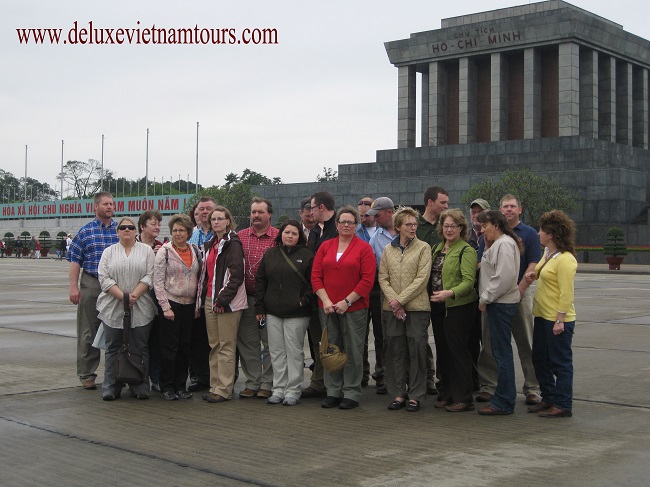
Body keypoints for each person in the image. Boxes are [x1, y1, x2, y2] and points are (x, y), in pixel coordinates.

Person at [476, 194, 542, 405]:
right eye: (505, 206)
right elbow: (483, 263)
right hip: (497, 296)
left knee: (525, 342)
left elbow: (533, 264)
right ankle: (489, 385)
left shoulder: (528, 234)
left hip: (515, 293)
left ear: (520, 210)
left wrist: (521, 288)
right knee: (490, 343)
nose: (509, 209)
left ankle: (532, 387)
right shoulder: (490, 237)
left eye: (513, 206)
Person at [312, 206, 376, 410]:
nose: (346, 225)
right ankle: (332, 391)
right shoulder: (325, 246)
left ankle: (351, 391)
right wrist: (327, 301)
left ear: (356, 225)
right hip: (328, 308)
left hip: (354, 308)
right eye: (343, 222)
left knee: (353, 350)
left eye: (351, 222)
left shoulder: (364, 248)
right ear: (337, 224)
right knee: (331, 348)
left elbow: (367, 280)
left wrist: (346, 301)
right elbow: (315, 276)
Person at [97, 216, 157, 401]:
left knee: (140, 347)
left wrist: (134, 296)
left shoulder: (147, 251)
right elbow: (104, 278)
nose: (126, 230)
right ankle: (111, 386)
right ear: (117, 231)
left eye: (130, 227)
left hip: (141, 306)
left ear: (135, 230)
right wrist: (123, 297)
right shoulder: (109, 252)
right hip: (113, 307)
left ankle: (140, 385)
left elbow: (150, 275)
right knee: (113, 348)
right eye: (122, 227)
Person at [255, 219, 314, 406]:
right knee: (276, 352)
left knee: (294, 352)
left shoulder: (307, 255)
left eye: (294, 233)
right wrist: (260, 307)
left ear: (299, 237)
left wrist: (302, 301)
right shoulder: (270, 254)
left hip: (297, 313)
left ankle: (293, 390)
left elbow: (314, 283)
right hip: (272, 312)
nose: (290, 236)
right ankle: (278, 388)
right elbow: (260, 280)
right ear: (281, 234)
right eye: (287, 232)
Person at [525, 210, 578, 418]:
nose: (538, 234)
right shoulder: (548, 254)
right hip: (542, 316)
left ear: (552, 234)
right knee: (540, 358)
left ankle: (563, 403)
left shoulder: (566, 260)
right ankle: (548, 397)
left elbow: (567, 293)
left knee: (560, 362)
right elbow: (540, 271)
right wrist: (532, 274)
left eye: (542, 230)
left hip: (557, 320)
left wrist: (560, 319)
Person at [378, 207, 431, 412]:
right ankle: (398, 393)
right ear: (398, 226)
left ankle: (416, 395)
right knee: (395, 350)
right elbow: (383, 277)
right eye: (408, 224)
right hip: (391, 309)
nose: (413, 227)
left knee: (417, 349)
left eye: (415, 224)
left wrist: (400, 300)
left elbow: (422, 278)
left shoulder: (423, 248)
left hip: (417, 308)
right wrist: (394, 302)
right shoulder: (388, 250)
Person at [67, 192, 119, 390]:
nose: (110, 207)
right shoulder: (85, 232)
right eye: (105, 204)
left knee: (118, 329)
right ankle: (87, 374)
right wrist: (74, 287)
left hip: (116, 285)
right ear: (95, 207)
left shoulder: (120, 229)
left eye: (112, 204)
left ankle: (118, 373)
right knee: (89, 330)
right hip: (92, 283)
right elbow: (74, 261)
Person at [429, 209, 478, 412]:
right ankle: (446, 393)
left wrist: (449, 293)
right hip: (438, 307)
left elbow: (469, 282)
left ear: (461, 228)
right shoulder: (437, 248)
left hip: (459, 308)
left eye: (454, 226)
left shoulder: (466, 250)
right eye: (446, 225)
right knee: (442, 351)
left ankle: (464, 398)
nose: (449, 229)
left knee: (457, 352)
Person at [475, 210, 523, 416]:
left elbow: (503, 277)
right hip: (500, 303)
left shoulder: (503, 244)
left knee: (501, 354)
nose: (483, 230)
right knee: (500, 352)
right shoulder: (500, 243)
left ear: (496, 224)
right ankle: (503, 398)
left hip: (500, 304)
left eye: (485, 226)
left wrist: (485, 298)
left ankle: (503, 401)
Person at [198, 206, 247, 403]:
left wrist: (223, 299)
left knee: (226, 345)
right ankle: (215, 385)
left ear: (228, 221)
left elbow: (236, 276)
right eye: (213, 219)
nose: (216, 222)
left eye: (220, 218)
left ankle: (224, 389)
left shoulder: (233, 244)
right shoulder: (212, 244)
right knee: (214, 345)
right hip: (210, 298)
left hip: (227, 302)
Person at [153, 214, 202, 401]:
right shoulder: (164, 251)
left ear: (188, 232)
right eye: (175, 230)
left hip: (189, 305)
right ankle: (167, 385)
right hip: (170, 304)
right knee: (169, 347)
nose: (178, 233)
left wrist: (197, 305)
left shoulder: (195, 250)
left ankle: (181, 385)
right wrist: (165, 307)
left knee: (185, 347)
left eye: (182, 230)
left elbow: (199, 279)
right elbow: (157, 282)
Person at [237, 197, 279, 399]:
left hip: (270, 301)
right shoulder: (240, 236)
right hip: (245, 299)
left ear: (269, 214)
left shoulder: (279, 237)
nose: (256, 216)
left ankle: (268, 383)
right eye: (253, 212)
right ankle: (252, 382)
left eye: (260, 212)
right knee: (248, 343)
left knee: (270, 344)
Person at [301, 191, 338, 399]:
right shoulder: (315, 231)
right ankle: (318, 382)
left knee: (334, 341)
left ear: (321, 208)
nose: (310, 212)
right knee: (318, 341)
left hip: (336, 297)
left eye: (313, 208)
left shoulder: (339, 228)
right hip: (316, 295)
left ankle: (334, 384)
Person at [416, 186, 450, 396]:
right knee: (419, 337)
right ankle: (425, 376)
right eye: (443, 203)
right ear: (430, 202)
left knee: (442, 337)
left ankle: (443, 379)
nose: (446, 206)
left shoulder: (446, 227)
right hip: (418, 292)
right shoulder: (414, 226)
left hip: (439, 292)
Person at [367, 196, 398, 394]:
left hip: (408, 290)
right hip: (382, 290)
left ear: (389, 212)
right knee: (384, 335)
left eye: (377, 215)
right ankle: (385, 375)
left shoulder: (407, 231)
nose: (375, 219)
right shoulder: (375, 238)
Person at [187, 196, 218, 391]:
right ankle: (199, 377)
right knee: (196, 338)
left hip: (215, 293)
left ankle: (219, 377)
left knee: (215, 339)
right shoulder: (191, 235)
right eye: (201, 209)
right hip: (192, 293)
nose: (204, 212)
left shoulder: (223, 235)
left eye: (208, 209)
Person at [356, 195, 382, 389]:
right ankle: (361, 373)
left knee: (382, 334)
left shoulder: (384, 233)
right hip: (360, 289)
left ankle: (381, 374)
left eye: (368, 207)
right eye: (361, 206)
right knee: (360, 334)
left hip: (380, 288)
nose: (364, 211)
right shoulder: (354, 232)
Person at [137, 210, 164, 391]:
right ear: (142, 226)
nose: (157, 227)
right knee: (136, 342)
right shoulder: (131, 244)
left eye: (158, 224)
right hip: (135, 299)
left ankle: (156, 378)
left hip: (155, 301)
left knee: (156, 342)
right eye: (153, 223)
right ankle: (136, 377)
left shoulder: (162, 246)